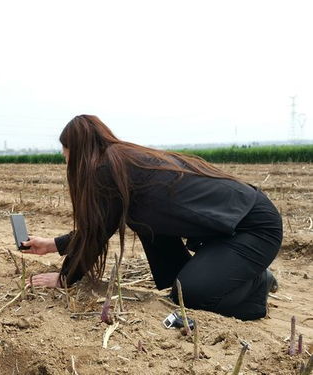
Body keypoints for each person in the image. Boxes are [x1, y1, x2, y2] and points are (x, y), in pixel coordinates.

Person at [22, 115, 282, 321]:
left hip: (253, 227)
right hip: (223, 229)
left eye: (64, 150)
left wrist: (65, 278)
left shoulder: (108, 169)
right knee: (146, 223)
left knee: (187, 295)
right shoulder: (120, 164)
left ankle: (257, 285)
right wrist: (53, 244)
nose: (63, 157)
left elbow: (97, 233)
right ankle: (222, 271)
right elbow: (100, 225)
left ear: (76, 149)